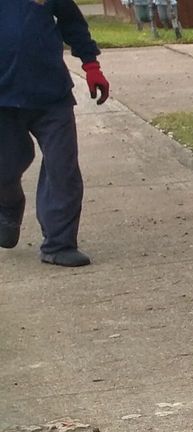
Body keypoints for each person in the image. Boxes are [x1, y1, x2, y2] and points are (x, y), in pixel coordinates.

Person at [1, 0, 109, 267]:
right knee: (4, 169)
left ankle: (59, 244)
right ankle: (8, 205)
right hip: (3, 101)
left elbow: (72, 23)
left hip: (52, 95)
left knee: (63, 170)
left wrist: (91, 66)